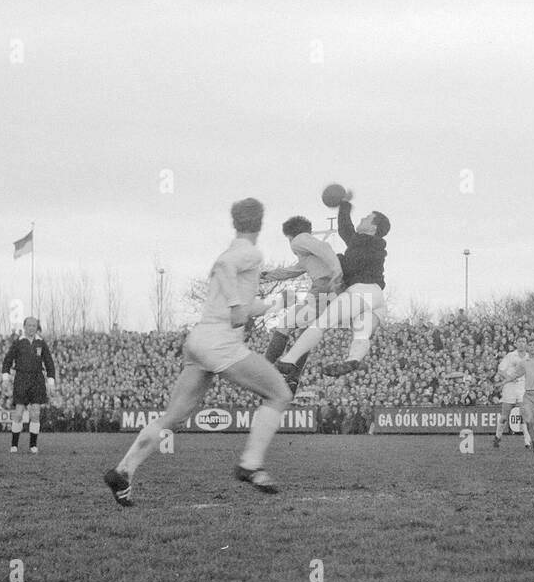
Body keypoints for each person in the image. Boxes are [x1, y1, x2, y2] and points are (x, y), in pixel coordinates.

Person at [104, 198, 291, 506]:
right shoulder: (248, 253)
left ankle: (123, 471)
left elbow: (242, 299)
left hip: (199, 340)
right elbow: (226, 272)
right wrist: (234, 305)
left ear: (235, 222)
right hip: (221, 343)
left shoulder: (233, 252)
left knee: (173, 417)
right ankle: (250, 464)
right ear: (260, 223)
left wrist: (273, 304)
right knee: (279, 394)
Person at [274, 189, 390, 386]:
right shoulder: (375, 246)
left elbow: (345, 229)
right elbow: (348, 234)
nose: (362, 218)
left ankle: (288, 360)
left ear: (372, 228)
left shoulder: (362, 242)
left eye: (367, 218)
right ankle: (353, 359)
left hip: (360, 291)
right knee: (361, 332)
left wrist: (344, 205)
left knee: (321, 323)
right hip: (378, 298)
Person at [261, 215, 345, 391]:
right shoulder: (308, 257)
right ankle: (293, 379)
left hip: (323, 287)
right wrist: (266, 276)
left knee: (284, 325)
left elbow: (325, 247)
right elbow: (292, 271)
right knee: (305, 336)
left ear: (290, 235)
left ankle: (264, 369)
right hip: (331, 292)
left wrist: (337, 270)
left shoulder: (298, 241)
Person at [1, 317, 57, 454]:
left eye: (34, 325)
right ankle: (14, 445)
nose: (32, 328)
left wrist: (51, 382)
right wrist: (5, 378)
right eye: (29, 325)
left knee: (35, 413)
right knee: (19, 413)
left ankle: (33, 445)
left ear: (37, 327)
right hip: (21, 378)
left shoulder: (41, 343)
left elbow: (49, 362)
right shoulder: (18, 342)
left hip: (37, 379)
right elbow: (7, 360)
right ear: (24, 327)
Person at [492, 339, 531, 449]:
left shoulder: (529, 357)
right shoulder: (510, 356)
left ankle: (527, 441)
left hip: (522, 387)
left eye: (524, 341)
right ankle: (497, 437)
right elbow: (500, 370)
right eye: (519, 341)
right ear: (516, 343)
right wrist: (509, 378)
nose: (521, 343)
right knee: (504, 416)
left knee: (524, 414)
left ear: (526, 344)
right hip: (509, 387)